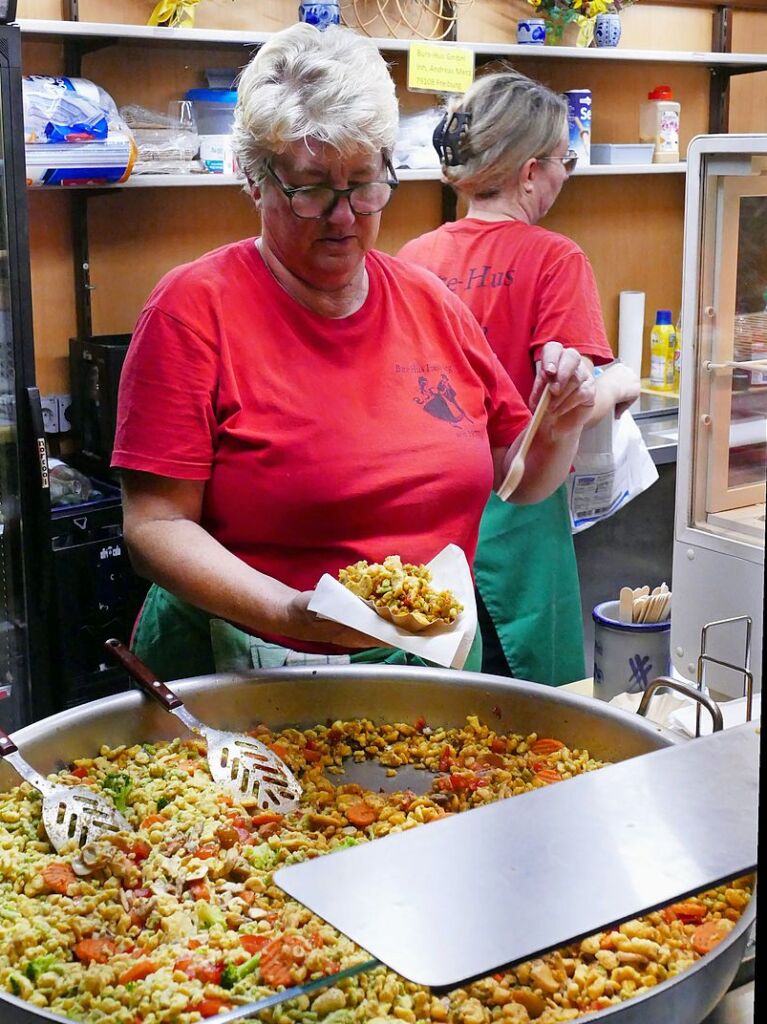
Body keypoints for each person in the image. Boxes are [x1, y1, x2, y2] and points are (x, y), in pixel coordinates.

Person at [111, 27, 596, 681]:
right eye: (311, 188)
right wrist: (289, 610)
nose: (344, 216)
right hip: (248, 670)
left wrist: (559, 422)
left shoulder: (429, 302)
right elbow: (155, 525)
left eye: (364, 182)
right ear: (254, 182)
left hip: (427, 664)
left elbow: (519, 479)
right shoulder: (193, 311)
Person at [399, 69, 640, 685]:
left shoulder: (412, 259)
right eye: (564, 160)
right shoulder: (554, 258)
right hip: (518, 509)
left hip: (424, 524)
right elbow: (566, 402)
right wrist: (616, 386)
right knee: (525, 727)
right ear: (531, 171)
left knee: (432, 712)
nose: (564, 175)